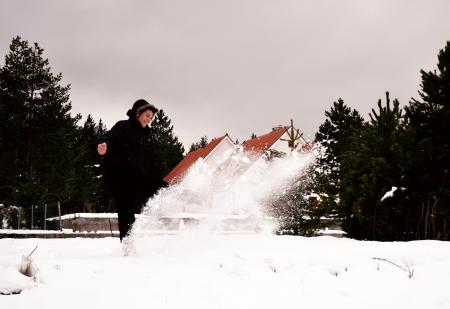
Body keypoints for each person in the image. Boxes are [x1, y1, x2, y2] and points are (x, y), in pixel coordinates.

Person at [97, 99, 158, 243]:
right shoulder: (123, 126)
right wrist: (104, 145)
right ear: (138, 112)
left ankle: (174, 192)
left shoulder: (140, 134)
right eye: (147, 116)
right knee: (126, 208)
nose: (149, 120)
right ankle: (127, 245)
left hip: (130, 172)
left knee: (133, 205)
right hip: (116, 174)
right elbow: (109, 136)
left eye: (151, 118)